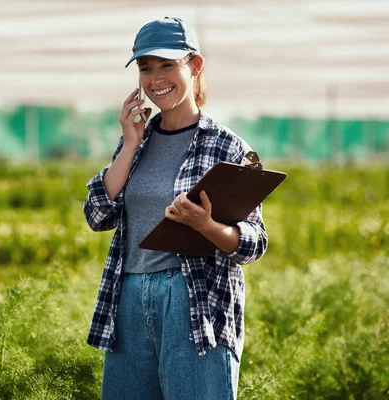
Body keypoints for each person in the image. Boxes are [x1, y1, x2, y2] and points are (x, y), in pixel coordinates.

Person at [83, 17, 268, 399]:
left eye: (167, 65)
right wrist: (130, 143)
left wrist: (207, 227)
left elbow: (254, 242)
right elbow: (97, 214)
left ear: (195, 66)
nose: (156, 79)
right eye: (146, 68)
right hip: (129, 299)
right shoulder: (136, 144)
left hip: (193, 303)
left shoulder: (228, 148)